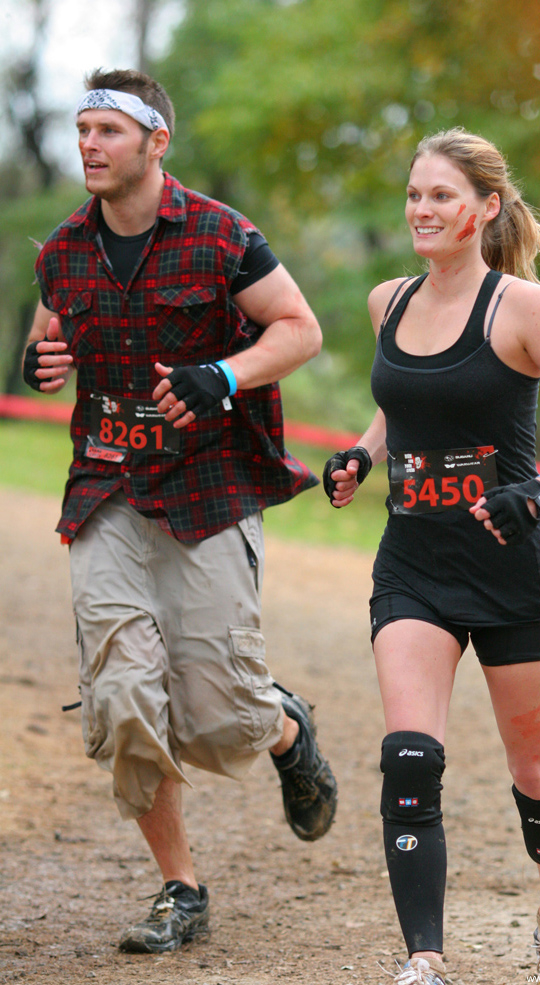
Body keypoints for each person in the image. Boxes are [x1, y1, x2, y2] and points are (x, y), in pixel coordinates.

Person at [22, 68, 337, 955]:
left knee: (217, 713)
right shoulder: (63, 250)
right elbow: (50, 335)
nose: (89, 143)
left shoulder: (222, 237)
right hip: (107, 489)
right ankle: (180, 887)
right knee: (123, 696)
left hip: (208, 487)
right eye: (81, 128)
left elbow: (299, 330)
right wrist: (41, 363)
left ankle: (281, 724)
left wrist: (224, 374)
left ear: (156, 143)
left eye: (108, 131)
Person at [323, 128, 540, 985]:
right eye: (414, 194)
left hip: (512, 569)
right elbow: (403, 406)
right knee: (410, 755)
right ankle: (425, 957)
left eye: (441, 197)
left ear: (485, 208)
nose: (421, 209)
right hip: (412, 565)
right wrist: (360, 453)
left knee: (534, 768)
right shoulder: (389, 300)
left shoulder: (524, 308)